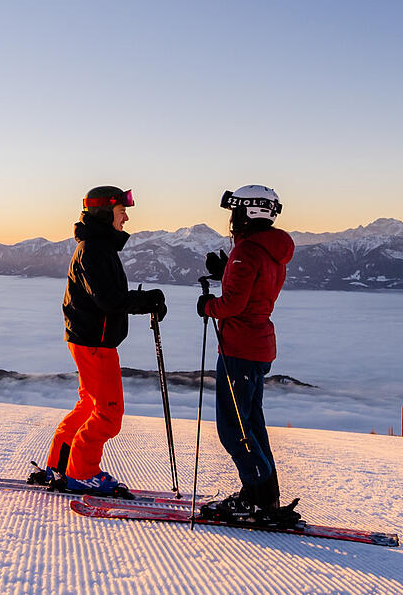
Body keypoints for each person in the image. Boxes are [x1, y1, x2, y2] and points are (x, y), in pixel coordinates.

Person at [30, 185, 169, 496]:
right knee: (108, 414)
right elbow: (108, 299)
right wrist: (144, 301)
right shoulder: (94, 249)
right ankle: (83, 473)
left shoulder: (98, 246)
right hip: (95, 343)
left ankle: (60, 465)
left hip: (88, 339)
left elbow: (107, 298)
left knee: (88, 406)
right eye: (122, 212)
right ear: (106, 213)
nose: (126, 218)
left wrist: (142, 301)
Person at [196, 184, 299, 525]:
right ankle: (264, 497)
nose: (231, 219)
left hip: (239, 347)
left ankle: (255, 498)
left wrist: (208, 306)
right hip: (258, 346)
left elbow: (233, 305)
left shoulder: (246, 252)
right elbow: (254, 288)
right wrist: (227, 270)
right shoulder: (270, 250)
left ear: (248, 213)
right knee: (251, 423)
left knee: (233, 428)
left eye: (235, 211)